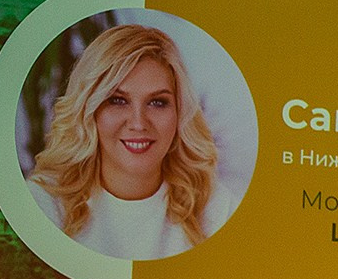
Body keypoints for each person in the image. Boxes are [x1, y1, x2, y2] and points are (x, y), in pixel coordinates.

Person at [26, 22, 234, 260]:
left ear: (179, 113)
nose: (138, 123)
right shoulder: (44, 202)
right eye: (117, 100)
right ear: (89, 109)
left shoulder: (215, 207)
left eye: (157, 102)